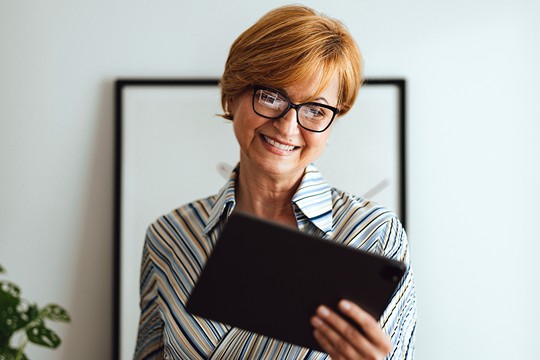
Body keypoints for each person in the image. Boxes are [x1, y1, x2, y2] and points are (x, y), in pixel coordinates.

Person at [134, 5, 416, 360]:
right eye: (271, 96)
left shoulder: (374, 237)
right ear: (232, 95)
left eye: (315, 109)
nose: (287, 126)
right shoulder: (169, 237)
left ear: (331, 123)